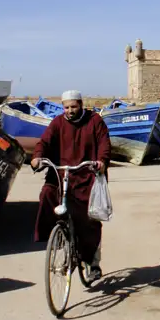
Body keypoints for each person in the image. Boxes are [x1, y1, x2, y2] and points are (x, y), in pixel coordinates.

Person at [31, 90, 111, 282]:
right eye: (66, 107)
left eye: (73, 107)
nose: (70, 111)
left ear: (81, 105)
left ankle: (92, 262)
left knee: (89, 220)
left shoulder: (94, 121)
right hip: (61, 173)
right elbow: (45, 142)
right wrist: (37, 158)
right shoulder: (58, 122)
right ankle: (56, 234)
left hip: (87, 174)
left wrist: (101, 161)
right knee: (47, 194)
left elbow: (104, 143)